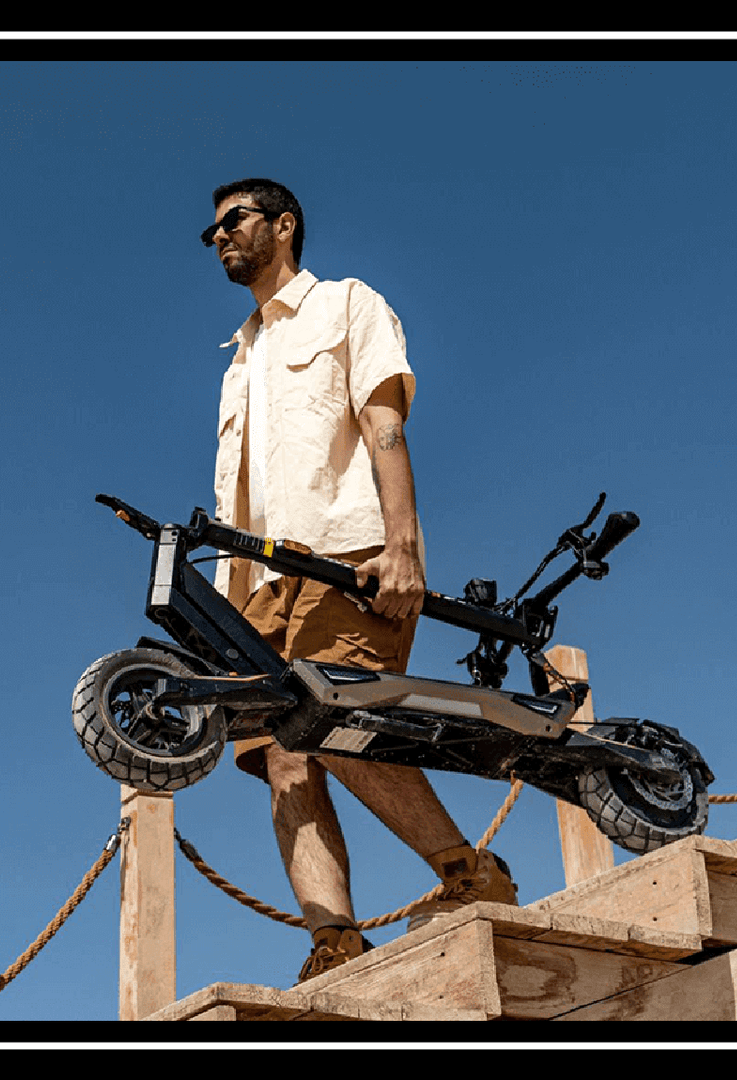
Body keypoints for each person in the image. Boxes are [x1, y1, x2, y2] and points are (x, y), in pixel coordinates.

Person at [204, 178, 517, 984]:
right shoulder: (240, 357)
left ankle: (471, 876)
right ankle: (334, 941)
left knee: (334, 720)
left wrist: (403, 548)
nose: (219, 239)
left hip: (343, 558)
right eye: (211, 233)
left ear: (283, 223)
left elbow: (384, 426)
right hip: (255, 586)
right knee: (282, 758)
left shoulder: (347, 304)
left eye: (231, 223)